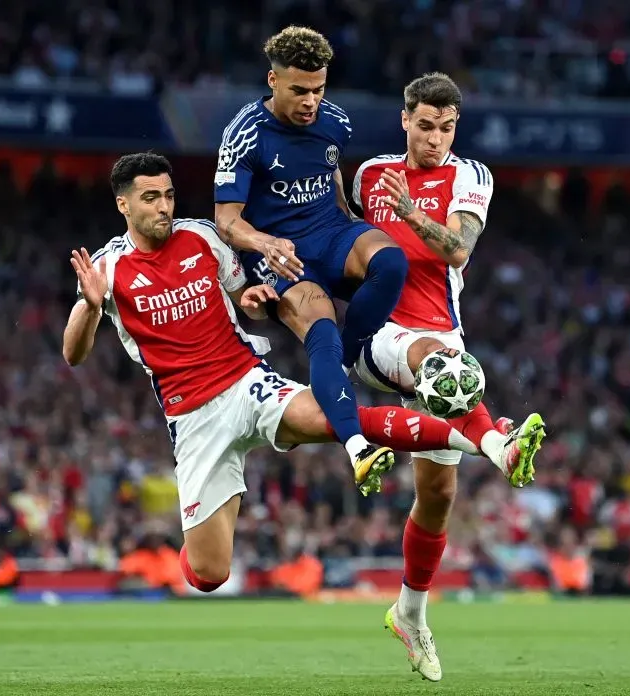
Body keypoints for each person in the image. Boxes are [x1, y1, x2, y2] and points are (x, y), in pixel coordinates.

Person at [62, 152, 484, 594]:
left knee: (337, 420)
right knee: (209, 574)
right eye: (150, 198)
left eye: (168, 195)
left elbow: (248, 299)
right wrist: (91, 307)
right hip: (192, 417)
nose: (164, 207)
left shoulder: (202, 237)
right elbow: (74, 353)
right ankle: (204, 524)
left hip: (247, 381)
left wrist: (253, 300)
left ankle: (477, 439)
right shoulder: (107, 268)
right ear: (123, 205)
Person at [350, 73, 547, 682]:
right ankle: (497, 444)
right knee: (440, 366)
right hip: (378, 335)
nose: (436, 138)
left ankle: (410, 614)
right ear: (404, 119)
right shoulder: (366, 176)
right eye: (426, 125)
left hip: (444, 342)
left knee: (436, 497)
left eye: (447, 127)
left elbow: (458, 250)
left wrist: (411, 213)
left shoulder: (470, 178)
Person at [213, 25, 408, 490]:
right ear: (273, 80)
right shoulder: (244, 135)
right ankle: (357, 447)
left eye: (318, 89)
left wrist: (351, 221)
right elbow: (226, 220)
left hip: (331, 232)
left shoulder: (335, 120)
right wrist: (264, 244)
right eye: (299, 90)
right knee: (321, 332)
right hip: (282, 257)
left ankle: (353, 358)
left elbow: (331, 170)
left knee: (392, 261)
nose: (309, 101)